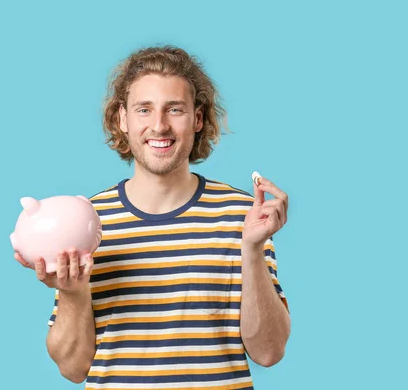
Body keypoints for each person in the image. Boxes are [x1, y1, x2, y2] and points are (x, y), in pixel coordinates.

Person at [14, 45, 291, 390]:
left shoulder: (242, 215)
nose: (159, 126)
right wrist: (73, 293)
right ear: (123, 119)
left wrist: (251, 250)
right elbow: (73, 369)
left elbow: (268, 351)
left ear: (198, 118)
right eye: (144, 109)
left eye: (174, 109)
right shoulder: (88, 221)